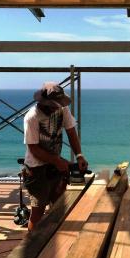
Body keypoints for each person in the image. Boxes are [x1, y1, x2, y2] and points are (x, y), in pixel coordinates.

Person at [22, 81, 88, 231]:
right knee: (38, 212)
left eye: (57, 105)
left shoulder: (61, 109)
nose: (55, 108)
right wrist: (57, 161)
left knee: (58, 205)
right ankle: (32, 248)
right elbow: (34, 149)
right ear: (43, 103)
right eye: (52, 106)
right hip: (36, 170)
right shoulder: (32, 117)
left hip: (53, 165)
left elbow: (71, 131)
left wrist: (79, 155)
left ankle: (51, 240)